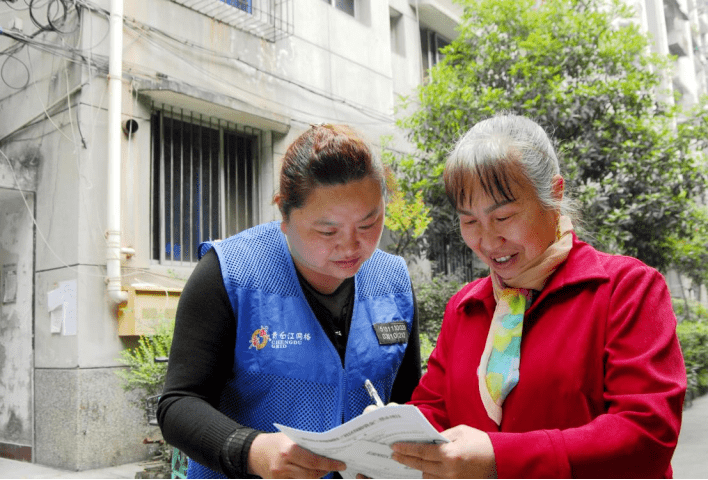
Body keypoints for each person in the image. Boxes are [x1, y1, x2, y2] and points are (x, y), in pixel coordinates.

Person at [389, 114, 686, 478]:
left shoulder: (626, 289)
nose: (486, 241)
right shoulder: (465, 307)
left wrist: (501, 457)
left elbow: (646, 436)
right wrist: (392, 431)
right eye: (469, 221)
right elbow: (434, 408)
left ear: (555, 196)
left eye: (504, 217)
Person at [157, 123, 421, 479]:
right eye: (328, 231)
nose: (350, 246)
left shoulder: (393, 281)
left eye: (369, 222)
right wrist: (250, 449)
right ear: (284, 214)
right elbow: (179, 404)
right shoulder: (230, 273)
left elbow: (411, 400)